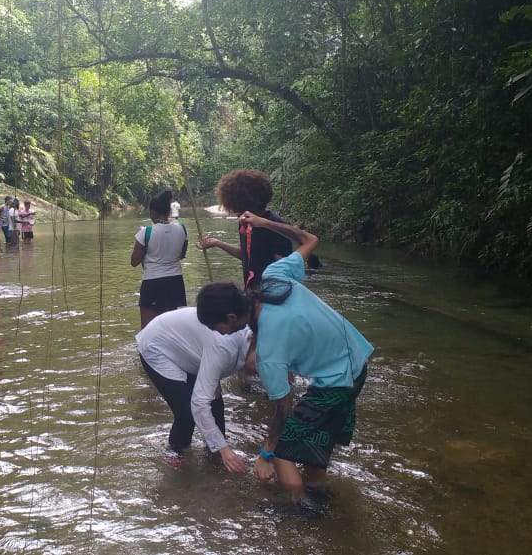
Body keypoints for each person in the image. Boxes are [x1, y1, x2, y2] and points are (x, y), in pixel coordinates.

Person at [197, 214, 373, 514]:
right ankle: (317, 491)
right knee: (319, 435)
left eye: (217, 329)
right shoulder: (275, 276)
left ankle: (304, 510)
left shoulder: (270, 354)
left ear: (230, 318)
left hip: (337, 380)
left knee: (284, 452)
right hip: (357, 359)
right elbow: (310, 240)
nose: (218, 335)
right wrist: (265, 223)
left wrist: (265, 453)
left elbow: (283, 409)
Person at [136, 306, 253, 472]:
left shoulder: (247, 335)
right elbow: (199, 404)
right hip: (158, 345)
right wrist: (225, 450)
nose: (258, 372)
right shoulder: (224, 348)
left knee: (216, 404)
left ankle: (214, 455)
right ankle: (175, 451)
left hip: (193, 348)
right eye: (259, 365)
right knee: (186, 412)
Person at [197, 168, 317, 291]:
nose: (235, 212)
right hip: (252, 295)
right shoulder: (245, 223)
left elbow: (284, 269)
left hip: (270, 295)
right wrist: (217, 243)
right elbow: (247, 256)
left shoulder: (274, 225)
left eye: (237, 208)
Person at [131, 190, 189, 328]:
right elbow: (181, 255)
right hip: (175, 282)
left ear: (152, 213)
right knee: (169, 328)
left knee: (147, 330)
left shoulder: (146, 232)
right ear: (168, 212)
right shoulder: (182, 229)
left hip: (153, 283)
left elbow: (134, 261)